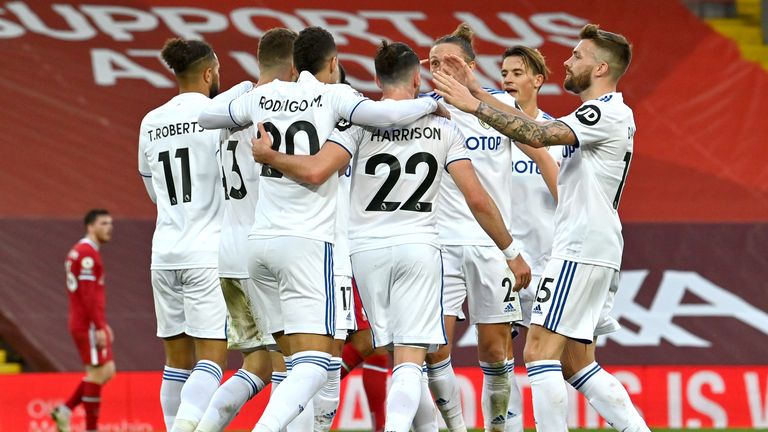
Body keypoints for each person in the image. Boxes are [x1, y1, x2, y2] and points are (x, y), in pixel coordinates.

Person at [248, 40, 530, 432]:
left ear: (377, 78)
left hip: (364, 254)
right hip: (418, 249)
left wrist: (271, 157)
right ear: (418, 77)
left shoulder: (356, 123)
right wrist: (511, 250)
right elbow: (478, 199)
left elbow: (316, 171)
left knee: (391, 353)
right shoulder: (442, 125)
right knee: (410, 362)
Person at [197, 26, 444, 432]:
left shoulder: (258, 97)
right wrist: (430, 104)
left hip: (259, 247)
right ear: (332, 63)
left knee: (292, 366)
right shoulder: (335, 96)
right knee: (316, 366)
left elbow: (206, 115)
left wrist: (243, 91)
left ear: (294, 64)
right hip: (310, 244)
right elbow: (387, 113)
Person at [433, 23, 650, 432]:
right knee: (577, 364)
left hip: (578, 246)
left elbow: (537, 133)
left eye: (578, 56)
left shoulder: (602, 112)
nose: (568, 61)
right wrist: (478, 92)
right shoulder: (607, 114)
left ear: (601, 68)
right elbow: (529, 122)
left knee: (538, 353)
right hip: (594, 245)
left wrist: (475, 107)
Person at [424, 24, 554, 432]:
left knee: (496, 352)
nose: (438, 68)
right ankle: (456, 429)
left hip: (491, 246)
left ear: (469, 65)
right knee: (432, 350)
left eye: (448, 60)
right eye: (432, 63)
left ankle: (500, 428)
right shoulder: (422, 108)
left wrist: (572, 210)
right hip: (439, 243)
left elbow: (543, 153)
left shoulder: (495, 106)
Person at [138, 37, 252, 432]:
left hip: (164, 250)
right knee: (211, 361)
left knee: (176, 362)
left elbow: (153, 188)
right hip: (207, 252)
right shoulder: (220, 116)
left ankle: (174, 426)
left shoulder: (151, 120)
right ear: (208, 73)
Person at [194, 27, 299, 432]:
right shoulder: (278, 111)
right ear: (293, 67)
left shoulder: (229, 108)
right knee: (294, 364)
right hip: (264, 254)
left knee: (256, 365)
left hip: (229, 252)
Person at [499, 45, 560, 432]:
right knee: (499, 355)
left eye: (517, 73)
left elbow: (567, 197)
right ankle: (512, 426)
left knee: (557, 361)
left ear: (537, 81)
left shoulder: (558, 133)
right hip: (504, 259)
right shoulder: (490, 136)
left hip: (548, 260)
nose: (507, 80)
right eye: (504, 73)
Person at [51, 209, 115, 432]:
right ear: (90, 226)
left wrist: (102, 324)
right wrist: (98, 326)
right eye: (104, 223)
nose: (109, 228)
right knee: (98, 373)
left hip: (86, 321)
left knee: (107, 370)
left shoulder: (79, 251)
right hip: (87, 323)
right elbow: (87, 294)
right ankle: (90, 428)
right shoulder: (87, 254)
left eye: (110, 223)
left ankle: (65, 410)